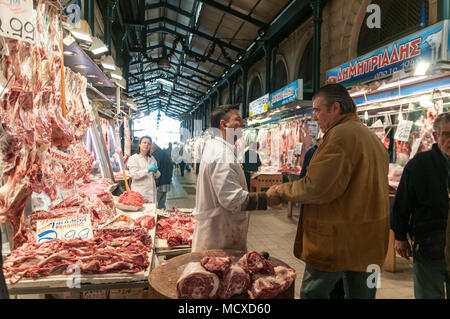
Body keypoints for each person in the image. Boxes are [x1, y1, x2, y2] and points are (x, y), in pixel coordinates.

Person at [267, 84, 390, 299]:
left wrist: (281, 190)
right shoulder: (371, 138)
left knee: (313, 293)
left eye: (317, 110)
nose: (314, 117)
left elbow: (316, 187)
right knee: (362, 294)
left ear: (335, 107)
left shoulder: (340, 136)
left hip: (336, 241)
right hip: (369, 242)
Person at [193, 104, 281, 252]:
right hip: (219, 240)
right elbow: (231, 199)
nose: (243, 124)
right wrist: (266, 198)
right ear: (224, 124)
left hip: (218, 233)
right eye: (238, 120)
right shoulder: (222, 154)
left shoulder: (217, 148)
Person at [391, 112, 450, 299]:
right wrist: (400, 236)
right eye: (446, 134)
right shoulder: (420, 164)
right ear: (435, 136)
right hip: (430, 246)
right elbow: (402, 202)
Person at [127, 136, 161, 205]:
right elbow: (134, 175)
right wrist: (148, 170)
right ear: (139, 144)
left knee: (152, 213)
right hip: (140, 193)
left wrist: (156, 171)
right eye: (144, 142)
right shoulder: (133, 158)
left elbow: (157, 176)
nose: (146, 145)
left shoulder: (152, 159)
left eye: (149, 143)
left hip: (152, 193)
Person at [149, 141, 173, 210]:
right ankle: (163, 217)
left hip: (160, 182)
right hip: (167, 181)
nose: (149, 151)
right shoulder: (164, 153)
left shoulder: (156, 154)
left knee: (156, 204)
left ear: (152, 148)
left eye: (150, 149)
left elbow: (156, 168)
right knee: (162, 203)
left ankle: (160, 218)